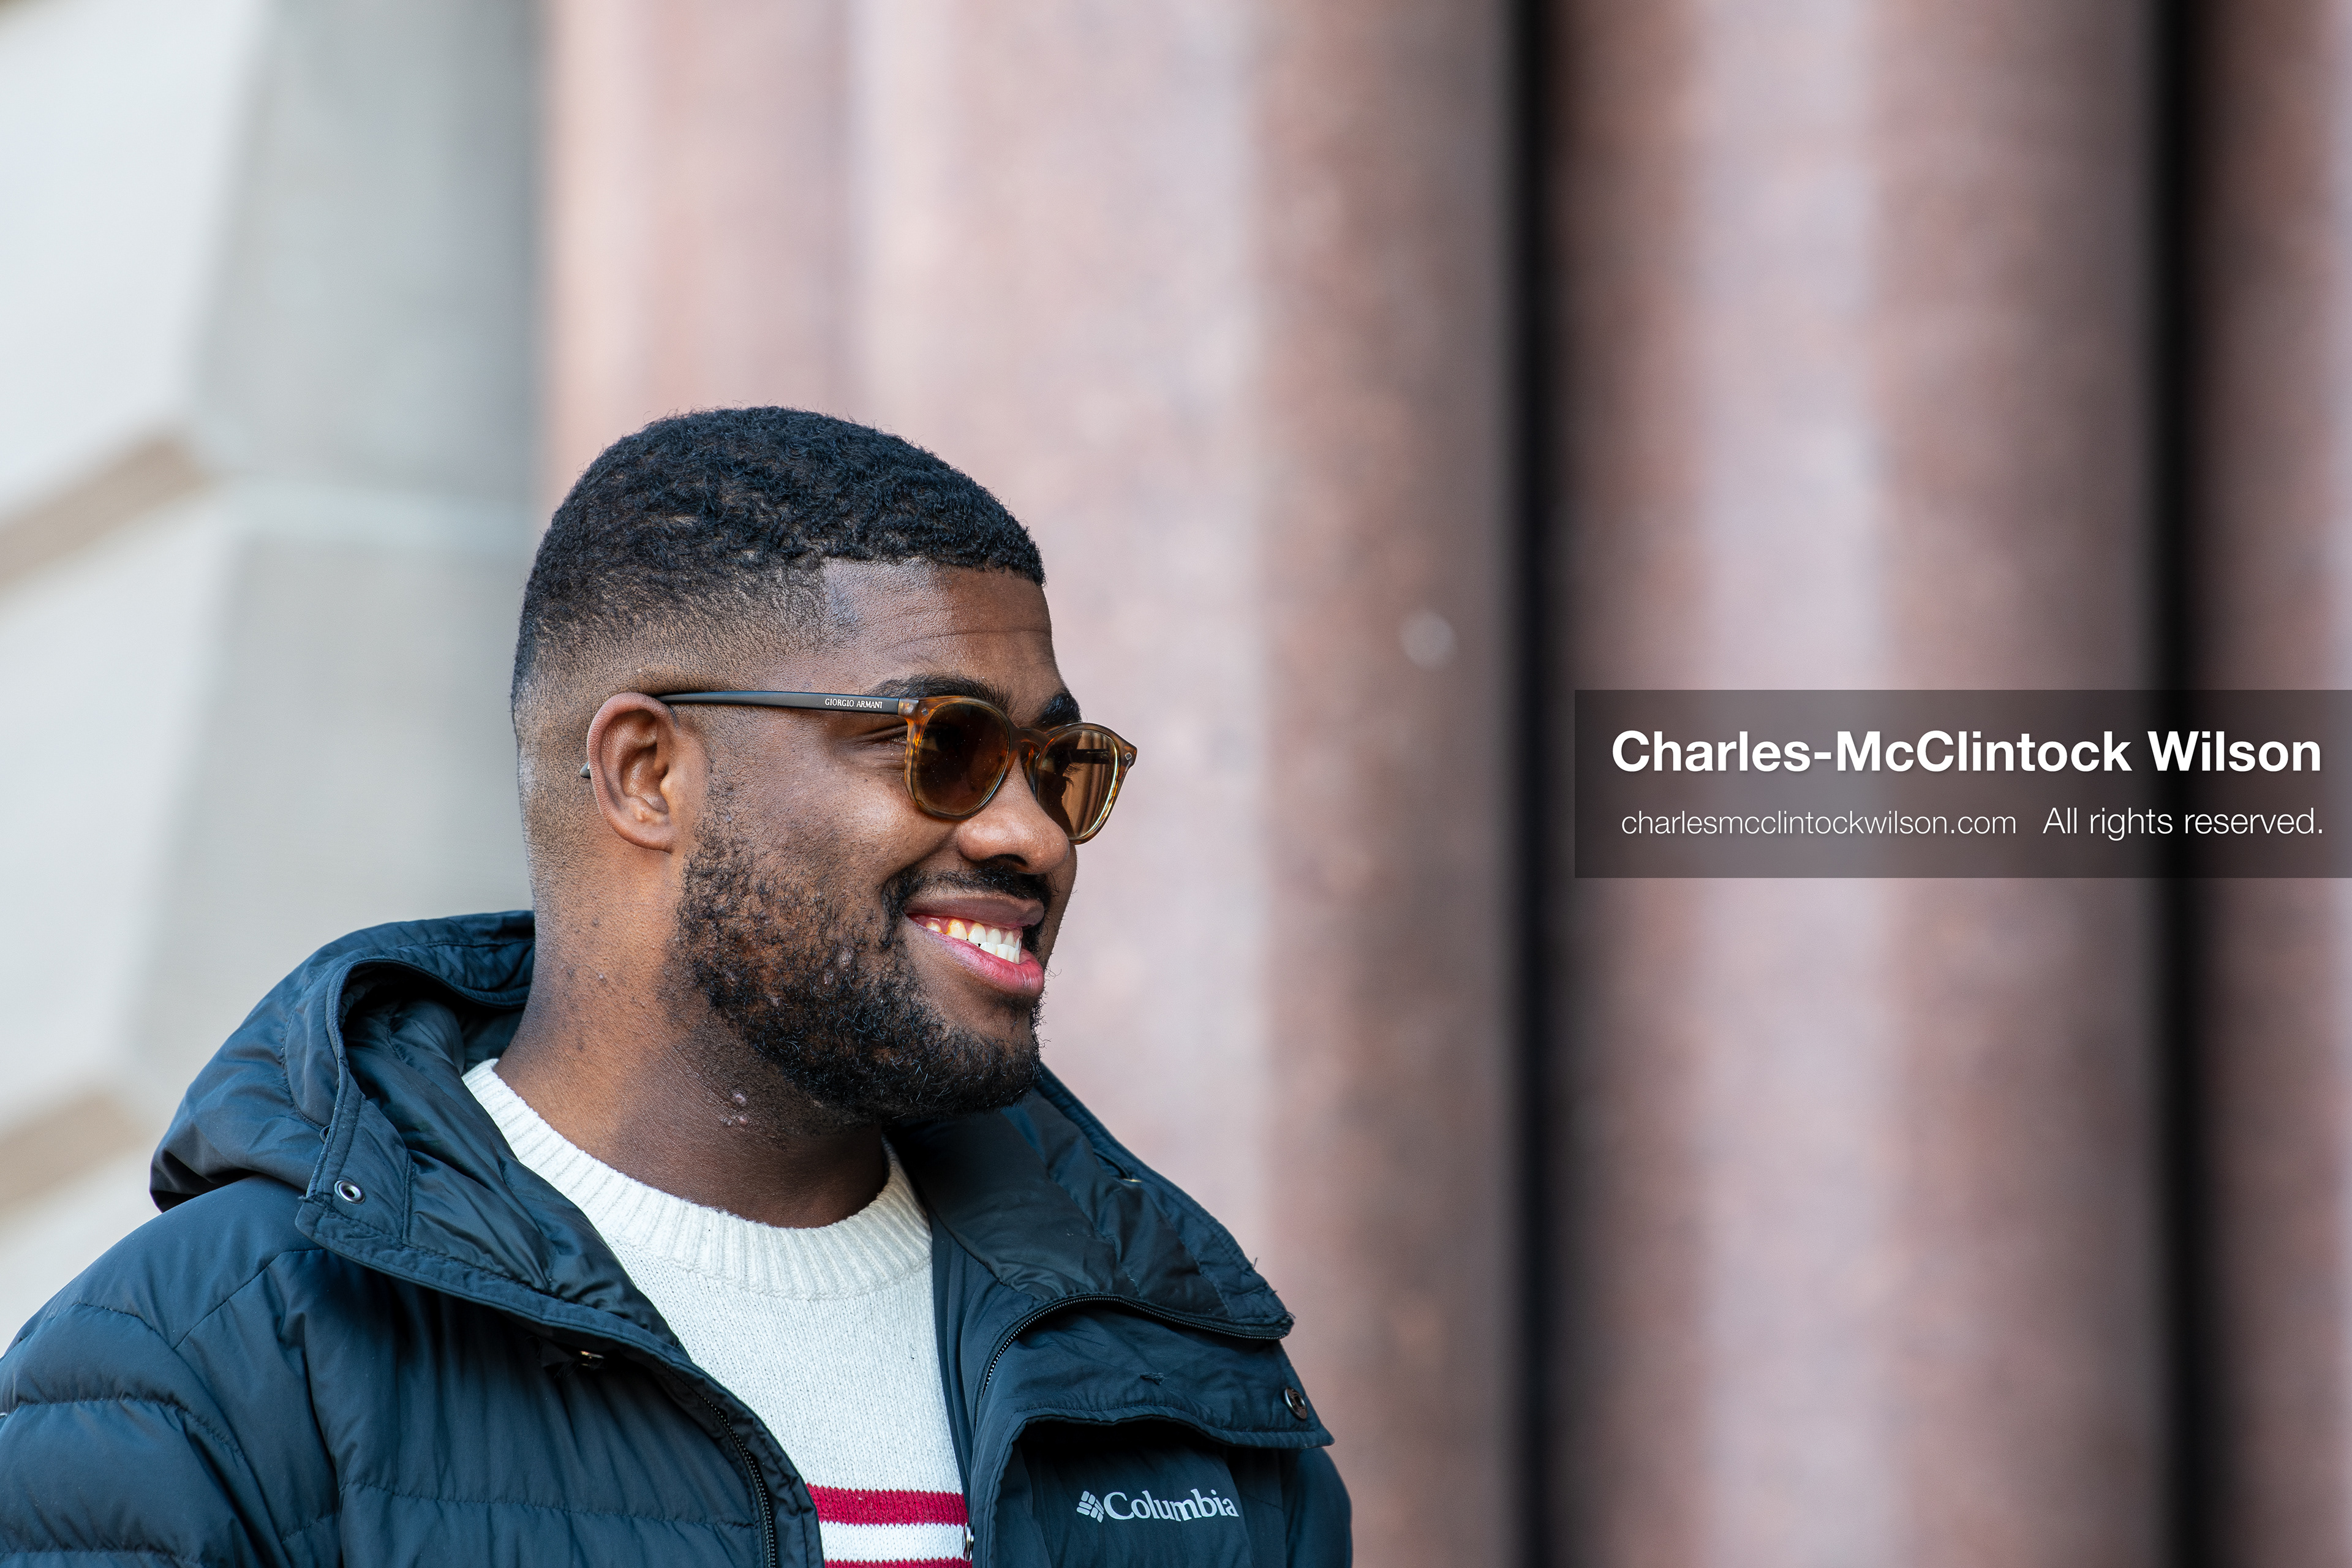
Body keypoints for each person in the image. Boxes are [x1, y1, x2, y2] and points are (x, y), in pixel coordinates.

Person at [0, 410, 1348, 1566]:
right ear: (648, 773)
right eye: (946, 746)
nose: (1032, 834)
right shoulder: (191, 1373)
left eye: (1062, 766)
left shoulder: (1185, 1377)